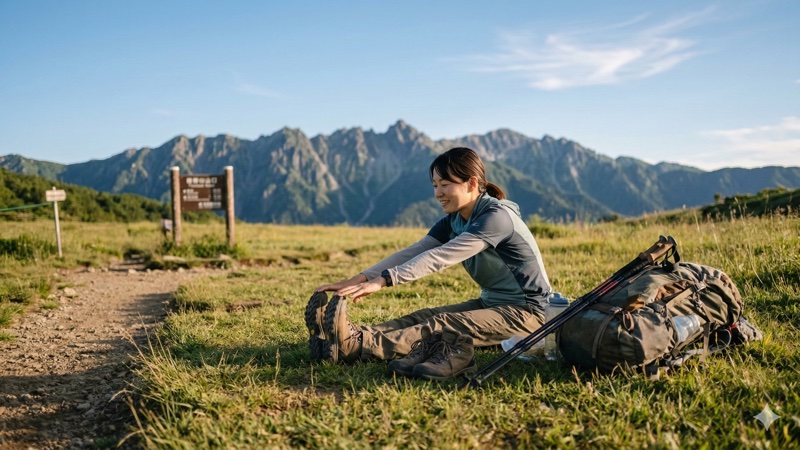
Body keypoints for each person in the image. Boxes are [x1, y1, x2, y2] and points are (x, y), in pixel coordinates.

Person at [305, 147, 552, 380]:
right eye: (435, 185)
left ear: (472, 183)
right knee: (426, 315)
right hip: (492, 303)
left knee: (444, 324)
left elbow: (441, 256)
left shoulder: (496, 218)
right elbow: (416, 251)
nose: (438, 193)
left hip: (529, 313)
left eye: (445, 185)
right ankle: (349, 336)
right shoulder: (454, 220)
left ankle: (358, 346)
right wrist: (360, 278)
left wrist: (384, 280)